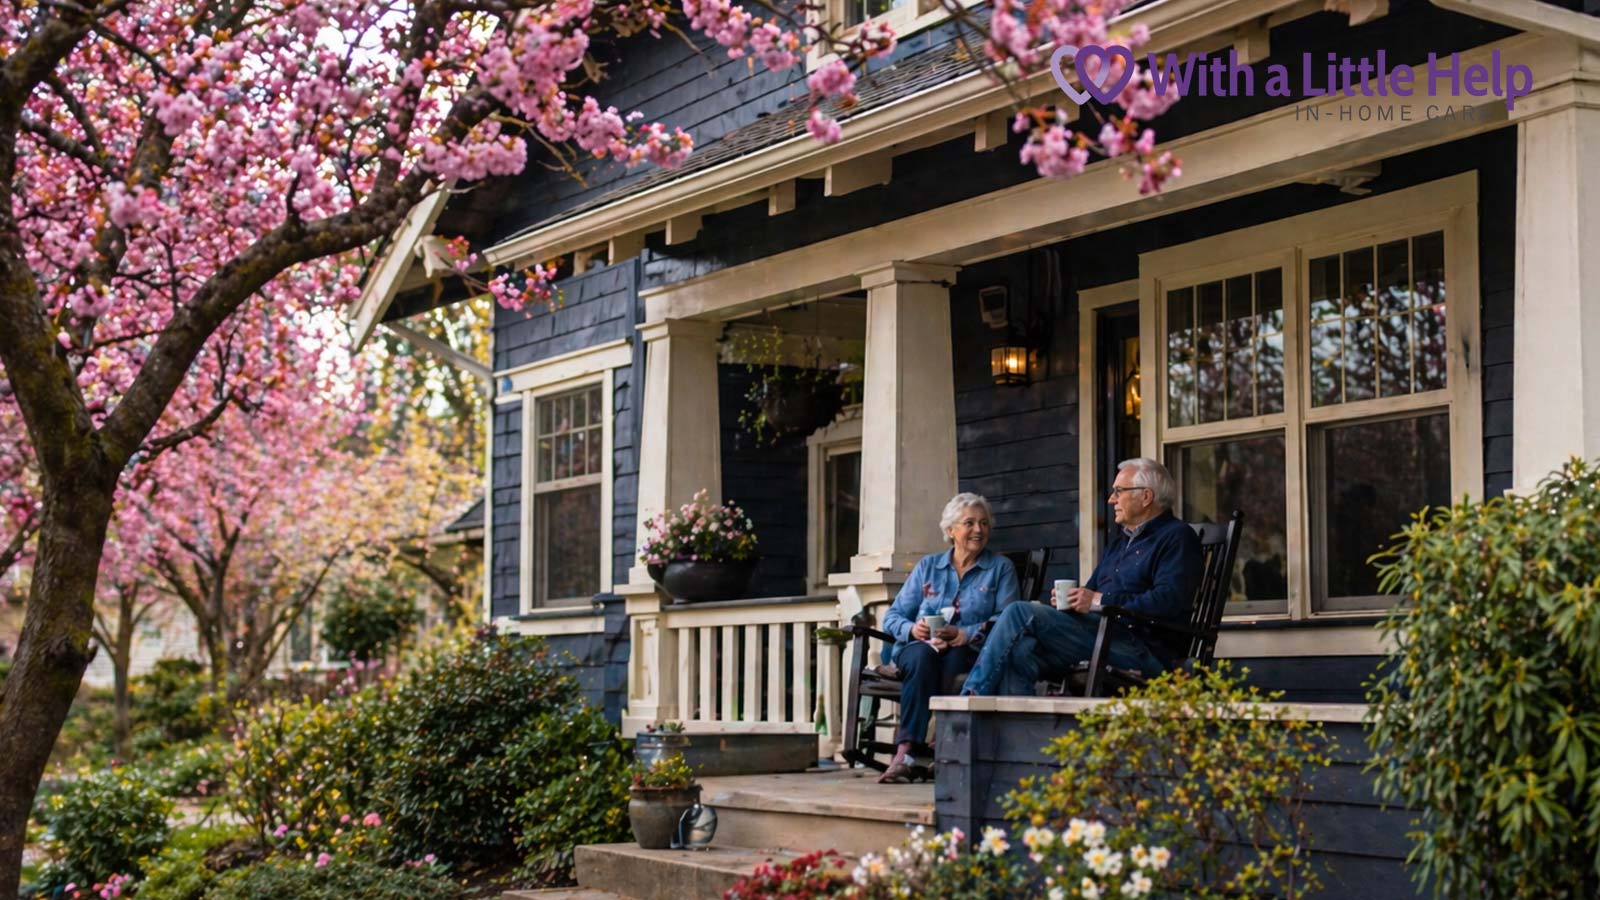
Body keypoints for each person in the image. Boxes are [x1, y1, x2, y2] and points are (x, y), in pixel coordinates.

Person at [962, 457, 1202, 697]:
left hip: (1141, 648)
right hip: (1099, 636)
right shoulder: (1121, 542)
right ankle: (1021, 731)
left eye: (1119, 491)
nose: (1111, 499)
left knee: (1017, 611)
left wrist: (1100, 600)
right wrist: (1073, 602)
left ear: (1146, 496)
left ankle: (968, 698)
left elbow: (1169, 599)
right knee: (1020, 650)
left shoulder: (1177, 537)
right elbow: (1092, 593)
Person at [876, 492, 1019, 783]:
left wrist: (965, 634)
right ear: (951, 531)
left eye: (983, 523)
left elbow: (1007, 619)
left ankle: (916, 751)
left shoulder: (1000, 569)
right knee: (922, 655)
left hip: (969, 651)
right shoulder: (928, 568)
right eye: (969, 523)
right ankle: (915, 749)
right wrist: (912, 630)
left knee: (951, 657)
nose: (978, 530)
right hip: (918, 648)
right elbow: (892, 617)